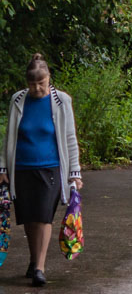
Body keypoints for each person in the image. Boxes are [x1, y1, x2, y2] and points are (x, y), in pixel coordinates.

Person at [0, 54, 83, 288]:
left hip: (51, 168)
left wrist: (75, 173)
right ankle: (33, 258)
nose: (37, 88)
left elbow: (70, 137)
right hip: (22, 168)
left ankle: (40, 267)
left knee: (44, 216)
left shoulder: (61, 101)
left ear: (49, 79)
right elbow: (9, 137)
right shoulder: (18, 100)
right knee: (28, 218)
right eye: (32, 84)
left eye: (41, 83)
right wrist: (3, 167)